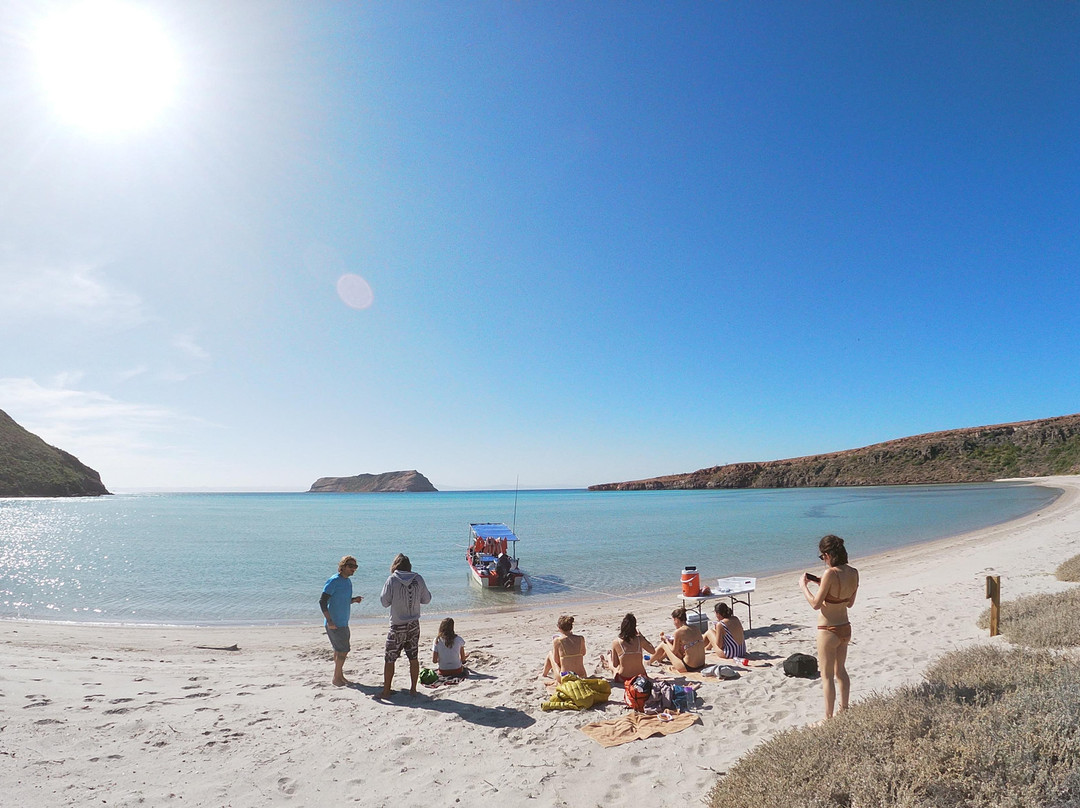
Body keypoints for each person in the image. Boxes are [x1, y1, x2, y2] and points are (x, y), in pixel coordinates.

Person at [800, 534, 859, 719]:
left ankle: (829, 718)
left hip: (828, 630)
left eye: (822, 556)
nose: (823, 560)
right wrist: (821, 583)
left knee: (827, 676)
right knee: (841, 671)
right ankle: (845, 709)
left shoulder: (830, 573)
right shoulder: (853, 572)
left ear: (827, 554)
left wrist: (804, 587)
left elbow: (816, 604)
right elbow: (849, 602)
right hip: (845, 627)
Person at [378, 553, 431, 698]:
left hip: (397, 625)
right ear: (409, 566)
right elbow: (427, 599)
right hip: (413, 624)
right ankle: (413, 689)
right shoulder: (418, 578)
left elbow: (384, 602)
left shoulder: (392, 580)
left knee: (390, 659)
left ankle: (386, 691)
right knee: (413, 657)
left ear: (395, 566)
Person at [319, 555, 363, 686]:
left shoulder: (347, 582)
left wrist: (354, 600)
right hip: (335, 623)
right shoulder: (334, 581)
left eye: (355, 567)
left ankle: (339, 675)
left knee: (339, 650)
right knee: (344, 650)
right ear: (342, 567)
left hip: (343, 621)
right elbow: (322, 601)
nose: (353, 569)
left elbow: (342, 600)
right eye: (350, 566)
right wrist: (330, 621)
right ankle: (336, 678)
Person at [599, 612, 655, 683]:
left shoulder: (616, 642)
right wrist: (642, 636)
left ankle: (608, 659)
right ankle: (608, 659)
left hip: (624, 679)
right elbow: (653, 651)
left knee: (614, 668)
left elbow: (615, 664)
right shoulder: (639, 639)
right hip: (641, 677)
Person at [648, 607, 707, 673]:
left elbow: (674, 651)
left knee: (663, 645)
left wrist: (666, 640)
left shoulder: (678, 632)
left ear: (677, 620)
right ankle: (659, 659)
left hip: (689, 667)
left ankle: (649, 661)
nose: (674, 623)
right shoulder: (695, 628)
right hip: (701, 664)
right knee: (675, 644)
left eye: (673, 620)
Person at [539, 615, 587, 682]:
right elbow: (583, 653)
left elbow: (556, 660)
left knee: (550, 654)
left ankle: (544, 674)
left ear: (559, 628)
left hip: (565, 677)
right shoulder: (581, 638)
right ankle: (544, 674)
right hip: (582, 675)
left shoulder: (557, 641)